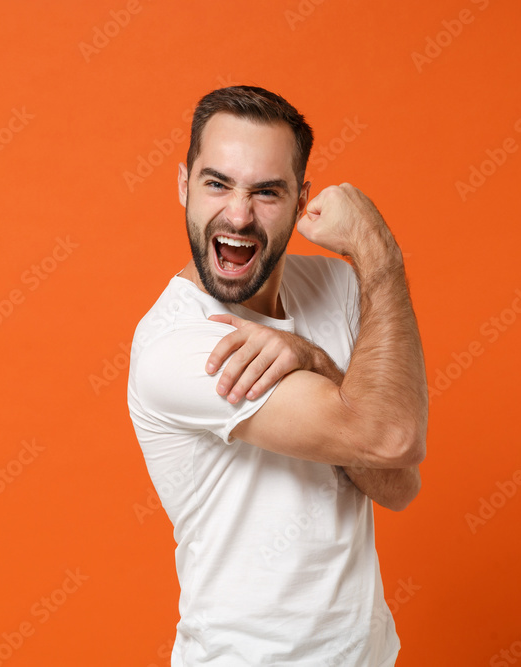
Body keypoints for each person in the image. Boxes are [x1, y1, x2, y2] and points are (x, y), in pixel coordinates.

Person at [126, 85, 428, 666]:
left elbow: (399, 481)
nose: (238, 215)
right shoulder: (181, 344)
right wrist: (380, 252)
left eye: (266, 192)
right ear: (183, 185)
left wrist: (315, 359)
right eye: (217, 184)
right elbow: (390, 435)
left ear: (300, 201)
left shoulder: (339, 287)